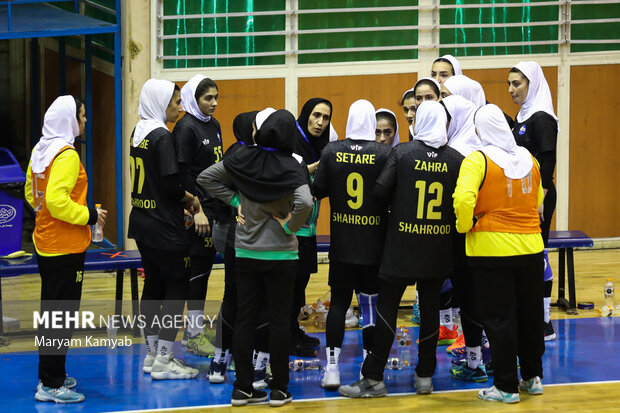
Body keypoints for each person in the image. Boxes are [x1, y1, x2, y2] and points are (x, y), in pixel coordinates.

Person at [339, 101, 463, 398]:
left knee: (387, 309)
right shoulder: (457, 160)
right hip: (437, 246)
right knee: (431, 309)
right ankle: (425, 377)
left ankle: (373, 378)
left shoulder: (402, 153)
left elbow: (380, 192)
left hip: (400, 246)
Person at [201, 108, 313, 407]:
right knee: (278, 321)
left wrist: (236, 200)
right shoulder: (292, 165)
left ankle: (242, 389)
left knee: (244, 319)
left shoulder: (241, 158)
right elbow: (305, 201)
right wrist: (290, 225)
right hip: (282, 256)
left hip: (246, 252)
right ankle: (279, 390)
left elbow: (206, 178)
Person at [453, 103, 545, 403]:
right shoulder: (529, 159)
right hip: (531, 248)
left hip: (491, 251)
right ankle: (532, 378)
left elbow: (463, 200)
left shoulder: (477, 160)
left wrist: (464, 226)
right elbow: (539, 201)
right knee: (529, 316)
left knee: (499, 319)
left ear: (480, 130)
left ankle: (505, 386)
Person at [26, 95, 106, 403]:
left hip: (45, 243)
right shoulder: (67, 155)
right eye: (81, 116)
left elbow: (32, 194)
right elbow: (57, 201)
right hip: (65, 247)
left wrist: (45, 218)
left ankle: (51, 372)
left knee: (52, 314)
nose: (84, 121)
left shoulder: (41, 148)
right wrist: (88, 215)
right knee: (60, 316)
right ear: (69, 120)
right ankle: (50, 383)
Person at [313, 100, 391, 389]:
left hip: (343, 245)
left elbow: (318, 190)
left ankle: (331, 369)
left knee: (339, 304)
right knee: (370, 309)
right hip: (373, 248)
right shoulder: (384, 153)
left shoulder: (331, 151)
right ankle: (366, 370)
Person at [128, 79, 201, 380]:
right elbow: (171, 185)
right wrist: (191, 199)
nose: (180, 108)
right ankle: (165, 359)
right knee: (175, 288)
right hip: (164, 226)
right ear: (160, 103)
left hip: (141, 222)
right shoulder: (162, 136)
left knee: (153, 285)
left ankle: (151, 354)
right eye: (175, 102)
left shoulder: (138, 132)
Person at [203, 110, 258, 384]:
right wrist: (237, 203)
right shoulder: (241, 154)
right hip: (234, 232)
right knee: (236, 297)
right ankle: (226, 355)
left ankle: (228, 356)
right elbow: (207, 180)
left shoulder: (249, 151)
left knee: (239, 297)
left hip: (244, 234)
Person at [173, 74, 223, 356]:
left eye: (216, 97)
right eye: (208, 98)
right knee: (196, 273)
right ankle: (191, 333)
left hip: (214, 209)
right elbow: (181, 175)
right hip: (197, 213)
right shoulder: (185, 129)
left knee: (204, 271)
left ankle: (196, 326)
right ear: (195, 99)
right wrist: (197, 210)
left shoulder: (213, 124)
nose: (214, 103)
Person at [509, 61, 559, 341]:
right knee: (529, 256)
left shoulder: (541, 118)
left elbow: (547, 164)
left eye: (517, 83)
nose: (512, 89)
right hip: (525, 197)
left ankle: (545, 324)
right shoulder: (524, 115)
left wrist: (539, 198)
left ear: (532, 83)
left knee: (538, 255)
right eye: (510, 84)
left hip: (538, 198)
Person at [441, 95, 489, 383]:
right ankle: (485, 358)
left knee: (472, 302)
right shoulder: (486, 150)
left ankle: (476, 362)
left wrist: (463, 226)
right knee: (482, 302)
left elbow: (463, 201)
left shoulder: (460, 155)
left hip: (466, 240)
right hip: (487, 241)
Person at [290, 98, 333, 356]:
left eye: (326, 118)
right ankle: (287, 337)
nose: (320, 122)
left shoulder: (320, 145)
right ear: (306, 115)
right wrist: (319, 166)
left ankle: (294, 332)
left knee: (301, 283)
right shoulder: (294, 142)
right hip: (293, 228)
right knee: (292, 285)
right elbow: (292, 173)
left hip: (310, 227)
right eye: (316, 115)